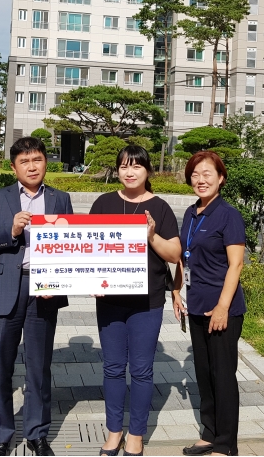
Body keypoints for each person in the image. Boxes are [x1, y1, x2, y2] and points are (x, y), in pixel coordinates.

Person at [0, 137, 74, 457]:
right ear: (13, 167)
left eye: (37, 160)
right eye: (24, 162)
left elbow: (70, 246)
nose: (32, 167)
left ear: (46, 162)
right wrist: (11, 230)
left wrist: (61, 282)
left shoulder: (61, 199)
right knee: (1, 367)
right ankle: (2, 435)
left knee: (38, 367)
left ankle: (37, 434)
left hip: (44, 288)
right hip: (7, 287)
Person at [91, 145, 182, 456]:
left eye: (137, 167)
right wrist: (90, 280)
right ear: (117, 170)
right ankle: (114, 431)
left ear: (148, 171)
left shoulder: (160, 207)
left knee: (142, 370)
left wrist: (151, 236)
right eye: (124, 166)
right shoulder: (103, 203)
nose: (129, 172)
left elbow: (174, 254)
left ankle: (137, 434)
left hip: (147, 301)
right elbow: (90, 248)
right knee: (113, 368)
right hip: (110, 300)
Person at [172, 151, 245, 457]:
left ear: (221, 178)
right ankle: (209, 433)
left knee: (223, 375)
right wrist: (176, 291)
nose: (201, 180)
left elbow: (236, 265)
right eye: (195, 175)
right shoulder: (191, 213)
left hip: (222, 308)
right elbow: (181, 255)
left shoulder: (228, 214)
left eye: (207, 174)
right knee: (204, 372)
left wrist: (222, 307)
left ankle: (227, 445)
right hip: (197, 305)